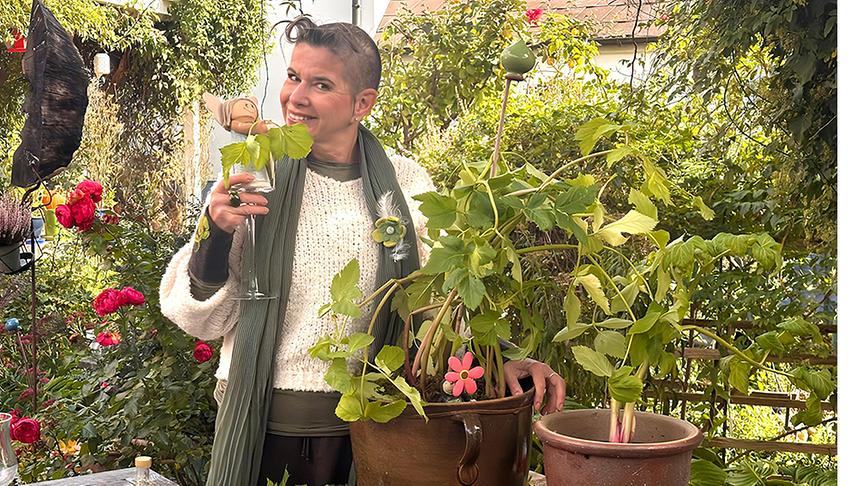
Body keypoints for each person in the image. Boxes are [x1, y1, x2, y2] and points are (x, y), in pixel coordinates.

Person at [159, 16, 565, 486]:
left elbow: (437, 304)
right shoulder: (256, 174)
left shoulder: (405, 183)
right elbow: (201, 319)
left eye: (321, 84)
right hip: (264, 427)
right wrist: (215, 231)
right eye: (293, 76)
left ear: (362, 104)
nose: (296, 96)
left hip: (377, 425)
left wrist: (498, 358)